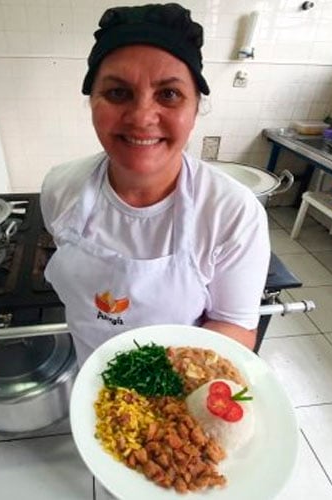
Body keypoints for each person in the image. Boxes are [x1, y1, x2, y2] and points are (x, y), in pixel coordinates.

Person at [41, 3, 269, 362]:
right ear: (92, 103)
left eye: (169, 94)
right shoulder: (60, 188)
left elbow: (235, 327)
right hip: (86, 378)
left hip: (174, 390)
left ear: (196, 108)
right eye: (118, 93)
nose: (142, 117)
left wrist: (156, 385)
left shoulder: (232, 213)